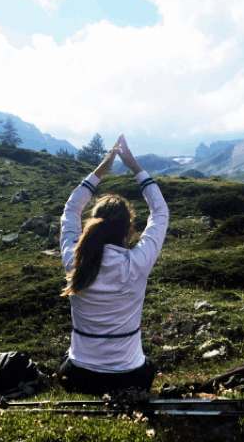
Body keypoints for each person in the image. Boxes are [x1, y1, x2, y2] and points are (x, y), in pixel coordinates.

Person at [58, 134, 169, 395]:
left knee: (68, 360)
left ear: (91, 227)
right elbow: (160, 212)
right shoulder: (137, 263)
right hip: (130, 378)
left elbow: (71, 210)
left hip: (77, 377)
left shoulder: (75, 261)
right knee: (147, 365)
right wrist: (135, 167)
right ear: (129, 232)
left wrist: (101, 169)